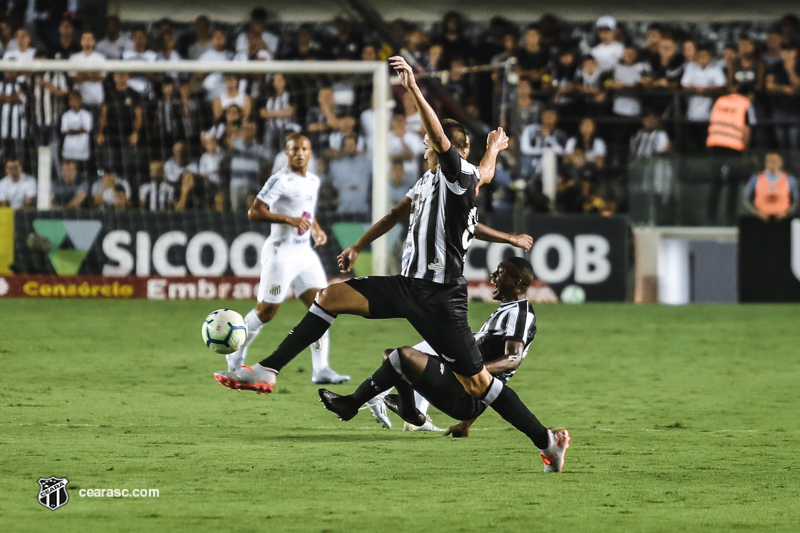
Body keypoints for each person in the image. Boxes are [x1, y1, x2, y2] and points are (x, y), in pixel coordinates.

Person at [213, 56, 570, 472]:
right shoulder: (436, 181)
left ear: (443, 149)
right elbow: (418, 204)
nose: (424, 151)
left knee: (478, 384)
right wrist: (359, 244)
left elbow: (448, 144)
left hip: (440, 298)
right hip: (407, 286)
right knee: (329, 296)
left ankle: (548, 441)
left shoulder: (456, 176)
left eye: (427, 146)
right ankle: (269, 369)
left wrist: (415, 90)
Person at [324, 258, 541, 440]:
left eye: (500, 273)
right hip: (464, 384)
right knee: (391, 356)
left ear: (516, 282)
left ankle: (352, 403)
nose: (493, 276)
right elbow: (491, 383)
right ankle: (410, 412)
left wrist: (473, 370)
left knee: (403, 356)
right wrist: (466, 425)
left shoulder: (520, 314)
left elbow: (512, 359)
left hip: (466, 394)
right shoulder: (507, 310)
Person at [218, 133, 348, 384]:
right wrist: (289, 221)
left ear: (310, 153)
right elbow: (254, 212)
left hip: (305, 253)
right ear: (286, 153)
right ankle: (234, 361)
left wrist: (316, 228)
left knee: (324, 307)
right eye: (294, 149)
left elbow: (305, 212)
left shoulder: (312, 180)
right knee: (266, 312)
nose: (299, 153)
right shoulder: (279, 179)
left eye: (304, 149)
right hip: (281, 252)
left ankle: (321, 370)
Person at [742, 151, 799, 221]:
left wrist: (787, 212)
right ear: (765, 162)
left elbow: (796, 200)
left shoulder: (789, 179)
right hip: (760, 220)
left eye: (774, 161)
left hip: (783, 221)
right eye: (769, 161)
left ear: (781, 162)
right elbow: (745, 198)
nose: (772, 163)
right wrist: (756, 212)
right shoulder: (756, 178)